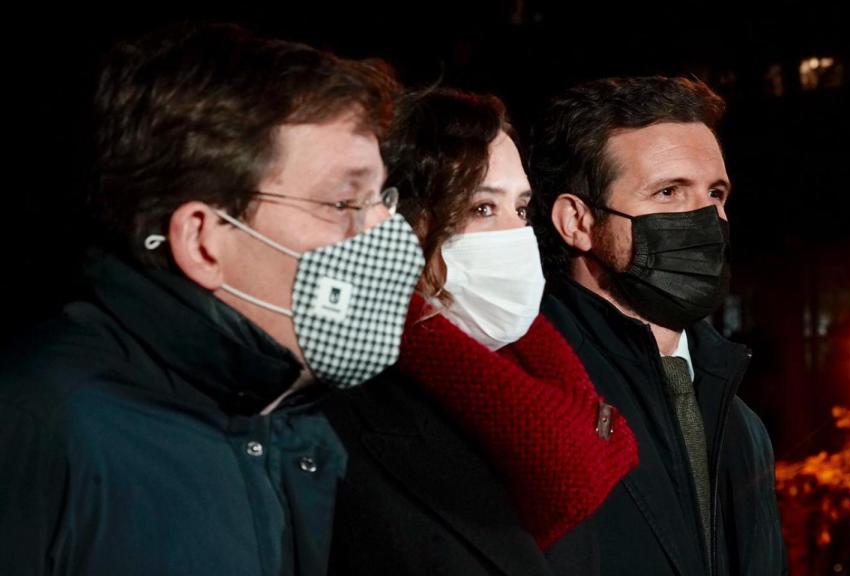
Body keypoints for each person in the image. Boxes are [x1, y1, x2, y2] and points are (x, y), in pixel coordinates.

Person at [0, 23, 424, 575]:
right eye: (344, 202)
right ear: (203, 239)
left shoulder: (291, 417)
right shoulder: (40, 427)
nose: (387, 232)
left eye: (379, 198)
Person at [327, 88, 638, 575]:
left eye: (520, 209)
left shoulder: (552, 388)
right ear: (395, 224)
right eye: (480, 209)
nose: (515, 236)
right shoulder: (338, 410)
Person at [528, 76, 787, 576]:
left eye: (715, 192)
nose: (704, 217)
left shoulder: (741, 424)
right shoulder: (531, 397)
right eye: (668, 192)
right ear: (576, 221)